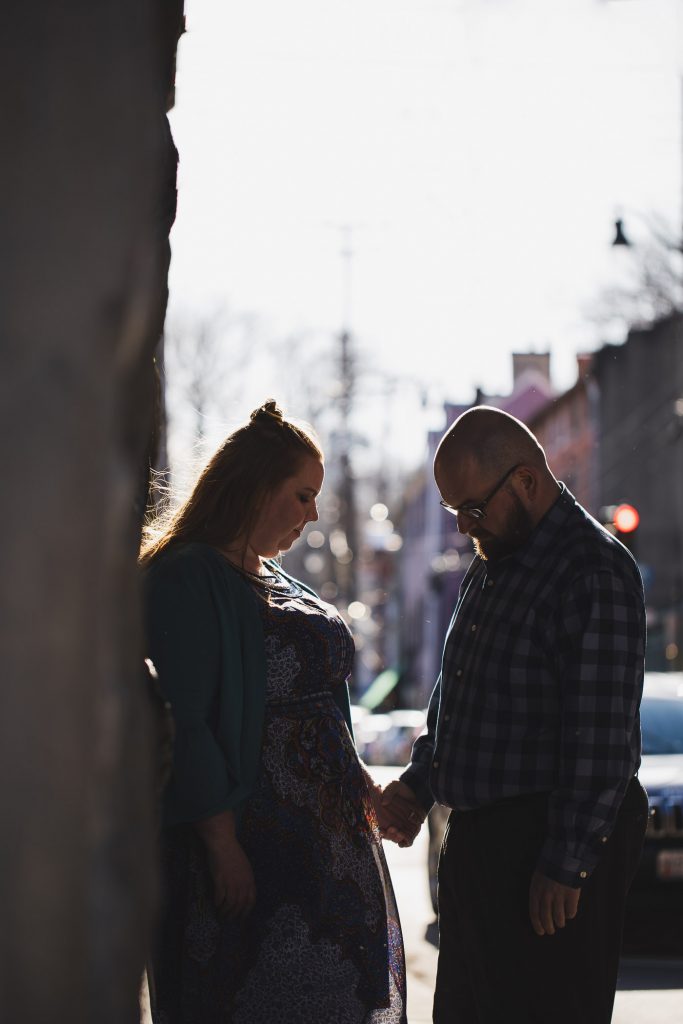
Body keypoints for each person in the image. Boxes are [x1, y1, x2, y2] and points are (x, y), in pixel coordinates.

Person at [141, 400, 407, 1024]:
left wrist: (365, 788)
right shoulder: (186, 577)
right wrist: (221, 841)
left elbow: (320, 714)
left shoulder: (275, 578)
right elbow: (184, 718)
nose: (313, 514)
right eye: (301, 495)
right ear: (255, 487)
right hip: (251, 864)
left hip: (328, 868)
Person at [381, 406, 648, 1024]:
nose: (465, 527)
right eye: (455, 513)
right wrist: (420, 786)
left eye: (473, 508)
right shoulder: (496, 557)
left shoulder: (594, 567)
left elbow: (602, 737)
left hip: (546, 849)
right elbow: (458, 694)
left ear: (526, 481)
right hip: (481, 843)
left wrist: (565, 862)